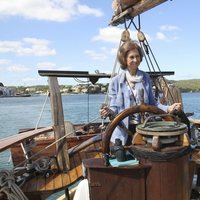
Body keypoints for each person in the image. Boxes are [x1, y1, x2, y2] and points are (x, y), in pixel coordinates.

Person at [100, 40, 181, 145]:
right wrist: (108, 111)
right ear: (124, 59)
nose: (135, 60)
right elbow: (114, 108)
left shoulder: (145, 77)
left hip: (144, 129)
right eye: (131, 57)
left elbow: (153, 104)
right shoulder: (115, 81)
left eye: (137, 56)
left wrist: (169, 108)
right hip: (123, 131)